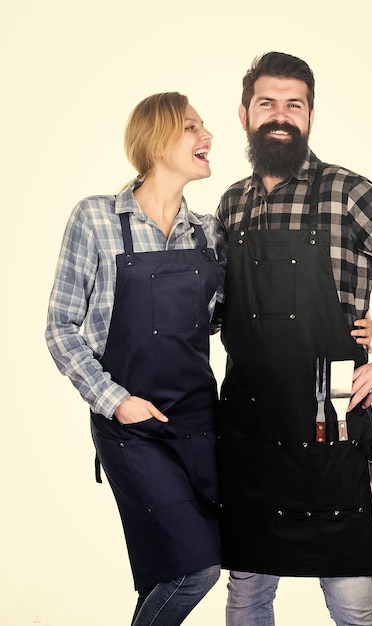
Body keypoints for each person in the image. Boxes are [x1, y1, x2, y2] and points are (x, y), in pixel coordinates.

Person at [215, 52, 372, 626]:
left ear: (310, 115)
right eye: (267, 103)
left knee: (350, 598)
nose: (280, 115)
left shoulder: (347, 192)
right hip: (249, 422)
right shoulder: (231, 203)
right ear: (245, 114)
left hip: (331, 415)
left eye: (293, 104)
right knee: (247, 590)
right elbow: (220, 309)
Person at [45, 92, 225, 626]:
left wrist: (347, 326)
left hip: (198, 425)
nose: (207, 136)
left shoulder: (209, 232)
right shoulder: (96, 218)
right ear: (156, 140)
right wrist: (115, 401)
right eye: (192, 127)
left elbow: (226, 321)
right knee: (195, 572)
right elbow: (60, 327)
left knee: (161, 574)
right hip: (132, 429)